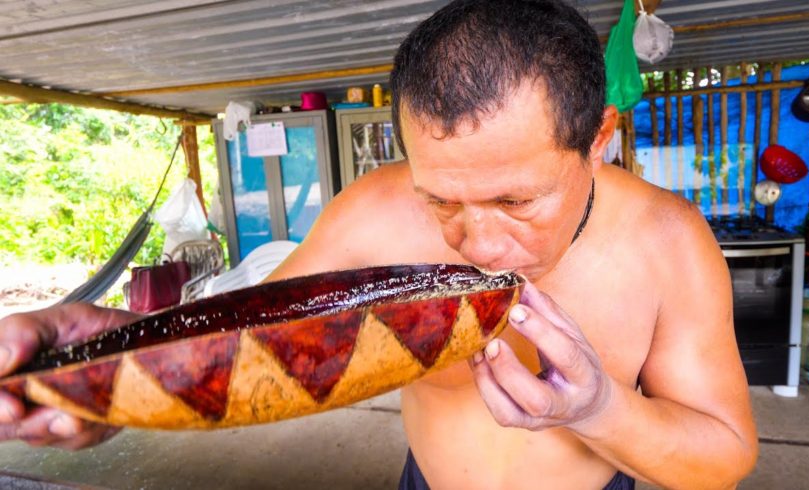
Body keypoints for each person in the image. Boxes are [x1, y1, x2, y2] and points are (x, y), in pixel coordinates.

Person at [0, 0, 757, 488]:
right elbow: (244, 342)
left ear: (598, 140)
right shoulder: (374, 209)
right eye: (442, 201)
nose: (482, 244)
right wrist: (111, 370)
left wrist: (597, 410)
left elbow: (723, 456)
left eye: (516, 199)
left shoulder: (668, 240)